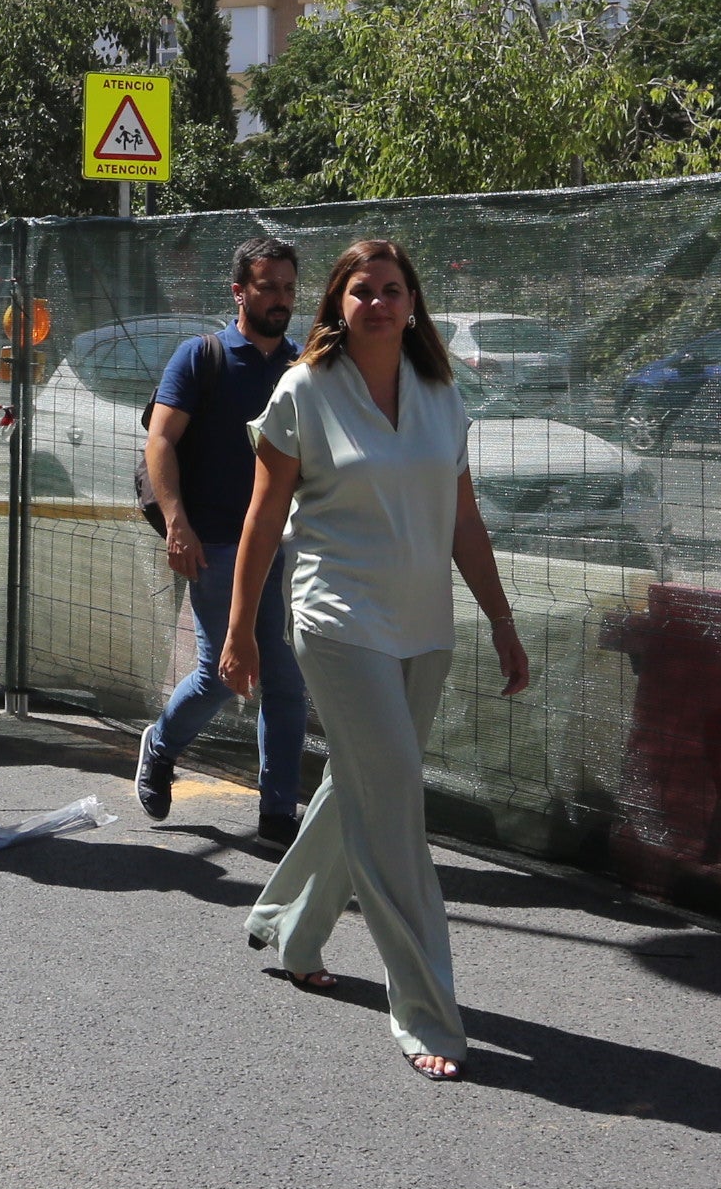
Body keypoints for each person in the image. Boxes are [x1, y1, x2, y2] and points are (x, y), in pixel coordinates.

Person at [224, 237, 532, 1079]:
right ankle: (428, 1014)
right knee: (394, 802)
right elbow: (261, 519)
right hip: (335, 619)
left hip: (423, 625)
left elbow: (463, 520)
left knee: (358, 784)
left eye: (395, 290)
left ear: (414, 303)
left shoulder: (440, 391)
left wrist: (501, 618)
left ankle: (290, 929)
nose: (381, 304)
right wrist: (240, 627)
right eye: (363, 291)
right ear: (338, 304)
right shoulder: (304, 390)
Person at [135, 236, 308, 838]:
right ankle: (160, 745)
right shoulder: (200, 356)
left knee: (282, 676)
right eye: (267, 287)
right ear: (240, 292)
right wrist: (177, 524)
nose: (280, 299)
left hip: (279, 546)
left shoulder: (302, 365)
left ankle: (278, 809)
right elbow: (160, 442)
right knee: (223, 673)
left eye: (288, 288)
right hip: (213, 543)